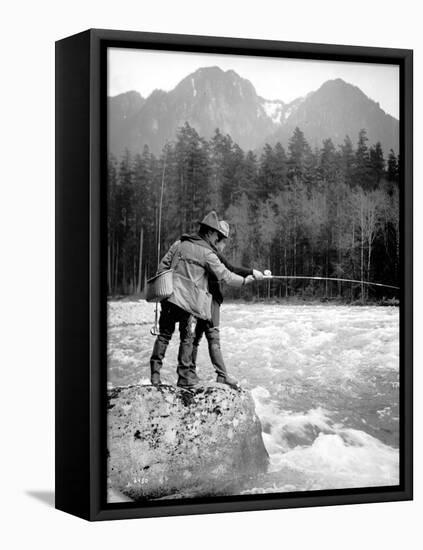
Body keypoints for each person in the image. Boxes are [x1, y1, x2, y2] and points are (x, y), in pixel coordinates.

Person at [150, 211, 254, 388]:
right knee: (187, 339)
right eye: (216, 235)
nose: (217, 239)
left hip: (168, 298)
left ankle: (155, 376)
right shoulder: (207, 254)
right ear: (211, 232)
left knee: (164, 336)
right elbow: (226, 276)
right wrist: (245, 281)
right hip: (189, 304)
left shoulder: (179, 244)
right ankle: (184, 378)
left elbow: (162, 267)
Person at [186, 220, 264, 388]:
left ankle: (189, 372)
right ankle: (221, 375)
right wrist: (251, 273)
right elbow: (230, 269)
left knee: (196, 338)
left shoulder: (199, 248)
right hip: (210, 300)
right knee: (213, 336)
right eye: (224, 242)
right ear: (216, 238)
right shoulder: (212, 252)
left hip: (197, 299)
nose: (224, 246)